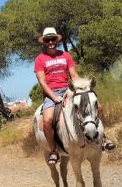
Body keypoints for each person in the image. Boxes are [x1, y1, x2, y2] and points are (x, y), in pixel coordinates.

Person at [35, 27, 115, 165]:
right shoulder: (40, 59)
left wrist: (79, 87)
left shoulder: (66, 55)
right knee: (47, 120)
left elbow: (73, 75)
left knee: (99, 107)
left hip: (69, 89)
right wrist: (54, 97)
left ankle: (103, 138)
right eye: (47, 40)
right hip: (51, 93)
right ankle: (53, 150)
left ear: (56, 40)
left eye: (53, 39)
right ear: (44, 42)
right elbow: (42, 82)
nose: (50, 42)